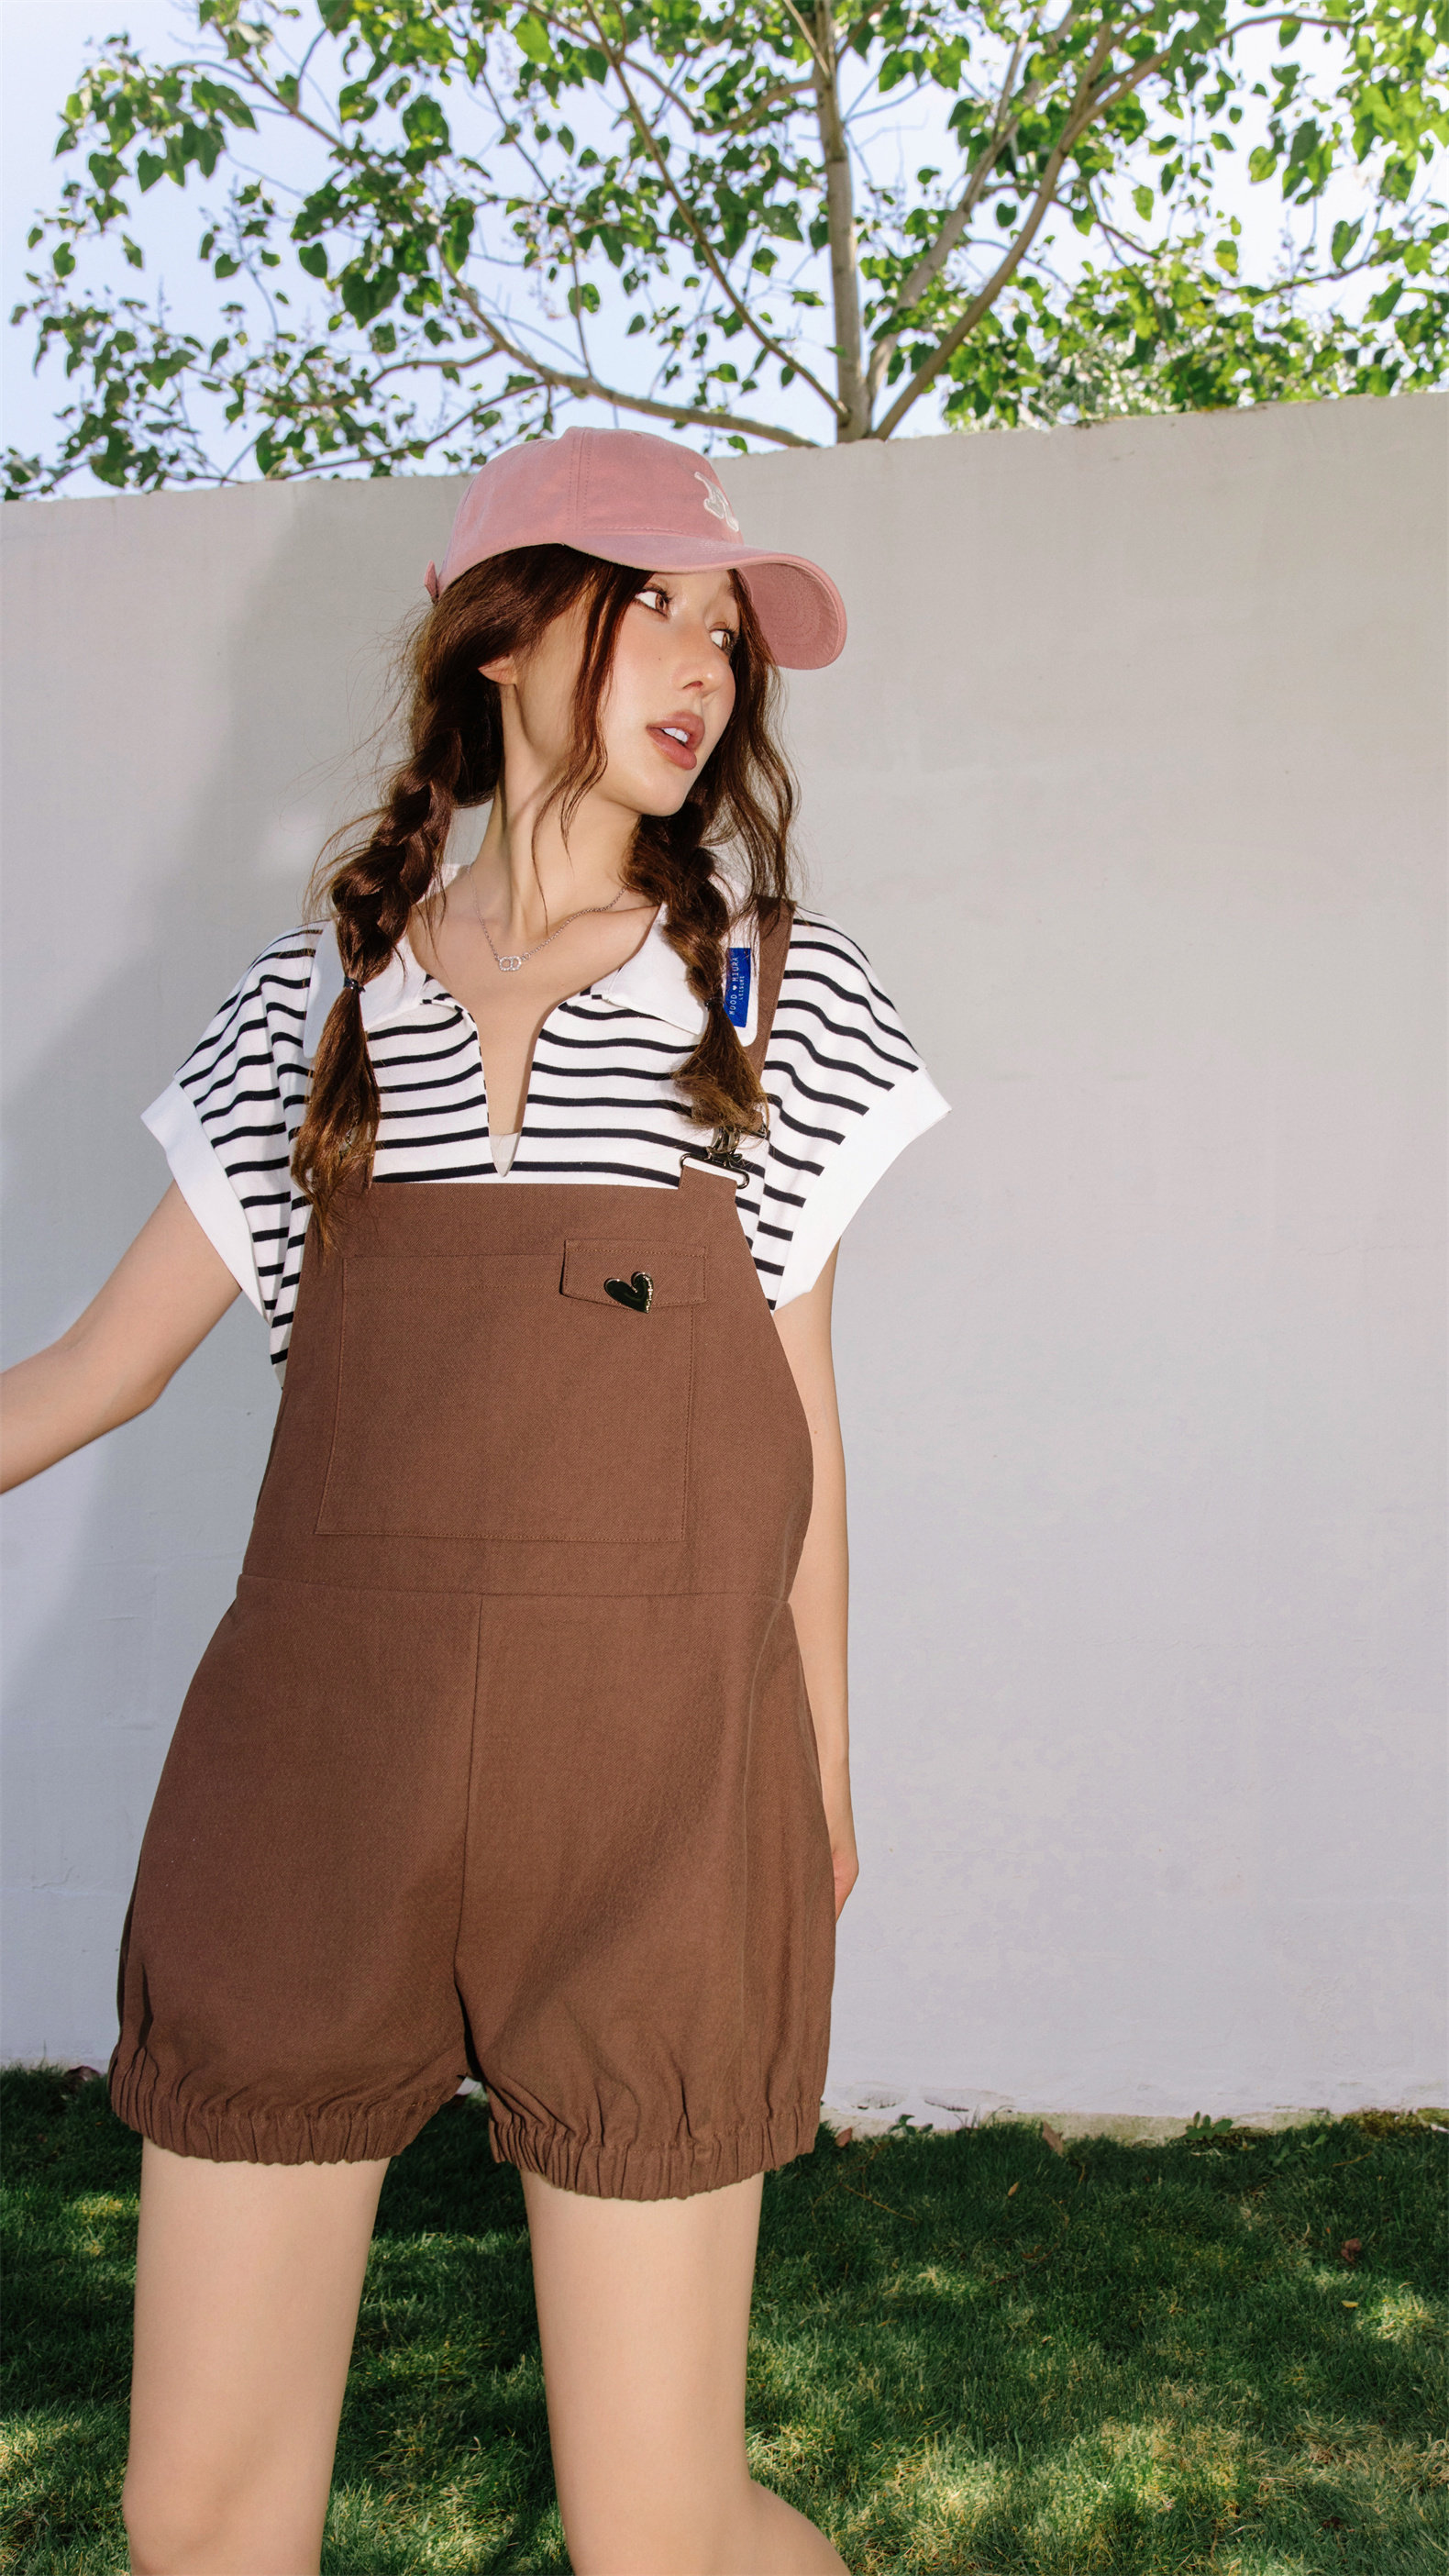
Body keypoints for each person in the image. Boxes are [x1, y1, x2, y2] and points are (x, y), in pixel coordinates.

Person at [0, 426, 950, 2575]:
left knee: (658, 2526)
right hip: (310, 1792)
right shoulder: (317, 1003)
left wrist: (819, 1767)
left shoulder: (768, 993)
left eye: (727, 632)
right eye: (654, 607)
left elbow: (797, 1433)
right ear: (500, 632)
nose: (705, 664)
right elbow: (92, 1369)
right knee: (194, 2516)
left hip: (652, 1796)